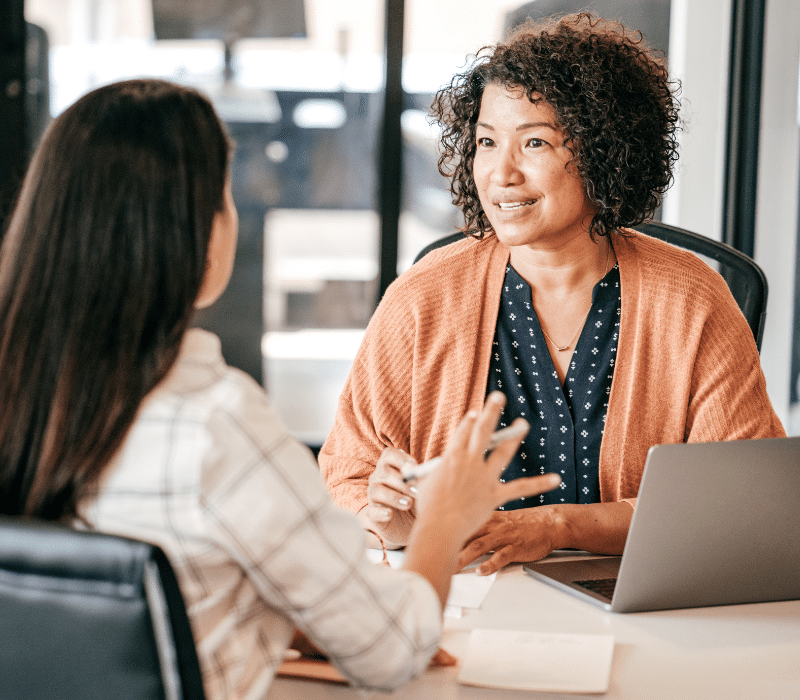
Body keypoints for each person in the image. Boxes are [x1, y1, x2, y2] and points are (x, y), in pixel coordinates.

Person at [0, 78, 561, 699]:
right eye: (225, 196)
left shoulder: (22, 400)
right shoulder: (216, 423)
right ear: (194, 230)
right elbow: (392, 652)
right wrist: (444, 522)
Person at [319, 13, 785, 576]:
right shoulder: (423, 296)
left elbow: (735, 501)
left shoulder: (690, 297)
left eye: (534, 141)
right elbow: (347, 476)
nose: (501, 173)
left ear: (602, 150)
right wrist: (388, 517)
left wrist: (558, 526)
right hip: (459, 592)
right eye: (487, 142)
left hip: (631, 599)